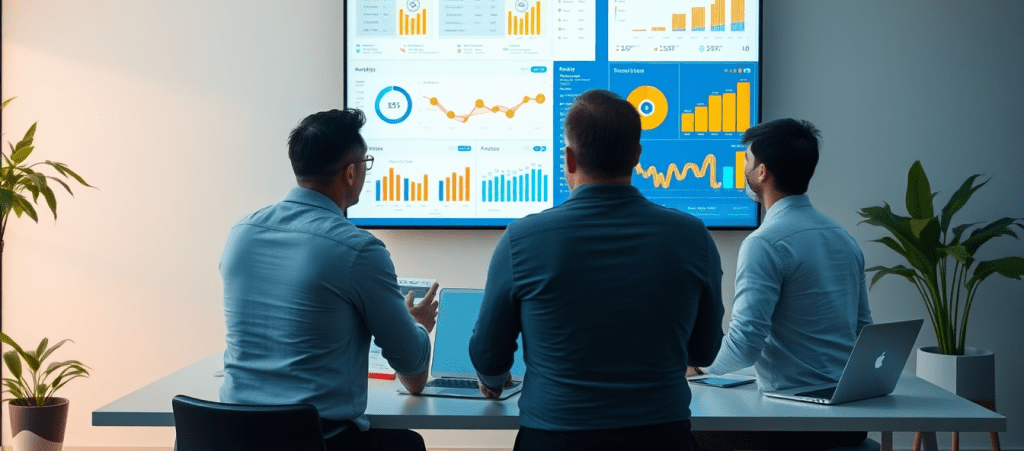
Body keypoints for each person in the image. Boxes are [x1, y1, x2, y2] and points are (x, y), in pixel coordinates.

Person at [469, 89, 725, 451]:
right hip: (661, 439)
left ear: (570, 158)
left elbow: (489, 355)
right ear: (637, 156)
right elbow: (704, 352)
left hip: (554, 441)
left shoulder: (521, 239)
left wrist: (493, 381)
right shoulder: (693, 237)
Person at [220, 108, 438, 451]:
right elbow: (414, 375)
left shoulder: (241, 234)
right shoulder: (358, 250)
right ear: (350, 173)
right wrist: (417, 325)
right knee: (407, 445)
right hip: (319, 442)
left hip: (229, 436)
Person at [691, 118, 873, 451]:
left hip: (792, 423)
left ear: (761, 172)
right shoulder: (843, 238)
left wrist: (699, 366)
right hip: (847, 421)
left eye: (747, 160)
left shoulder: (764, 243)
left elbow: (745, 344)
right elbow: (863, 329)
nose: (744, 168)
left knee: (684, 427)